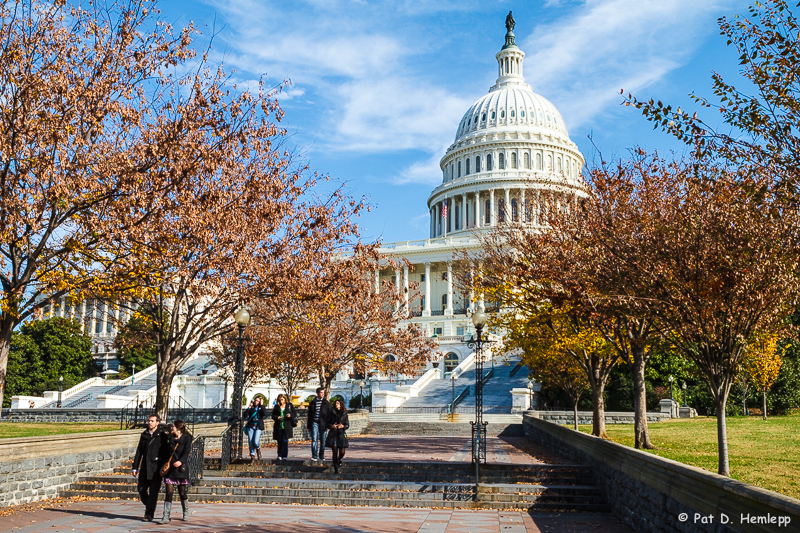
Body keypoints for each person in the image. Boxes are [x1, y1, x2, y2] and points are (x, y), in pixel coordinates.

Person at [132, 414, 168, 521]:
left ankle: (149, 514)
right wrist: (135, 467)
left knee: (153, 493)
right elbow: (139, 452)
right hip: (144, 468)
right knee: (141, 489)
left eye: (152, 421)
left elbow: (165, 453)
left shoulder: (162, 436)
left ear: (157, 423)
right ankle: (150, 506)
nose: (149, 423)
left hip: (156, 469)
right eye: (149, 421)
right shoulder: (144, 435)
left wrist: (164, 466)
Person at [157, 419, 193, 524]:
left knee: (182, 492)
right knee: (168, 492)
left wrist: (181, 461)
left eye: (172, 426)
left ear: (177, 427)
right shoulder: (170, 438)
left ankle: (185, 511)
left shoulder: (187, 438)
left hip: (181, 469)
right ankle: (166, 516)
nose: (171, 428)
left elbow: (186, 452)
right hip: (170, 469)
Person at [325, 399, 349, 474]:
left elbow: (347, 425)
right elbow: (327, 423)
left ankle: (339, 459)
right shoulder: (331, 412)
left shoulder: (344, 413)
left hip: (341, 433)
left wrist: (343, 426)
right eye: (335, 403)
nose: (336, 404)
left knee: (342, 451)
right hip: (333, 433)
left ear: (341, 404)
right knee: (334, 451)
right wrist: (332, 426)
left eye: (338, 403)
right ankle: (336, 467)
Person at [307, 387, 331, 461]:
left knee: (323, 441)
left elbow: (329, 414)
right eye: (321, 392)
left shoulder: (326, 403)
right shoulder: (312, 403)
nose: (322, 394)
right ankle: (314, 455)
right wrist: (308, 426)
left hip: (323, 424)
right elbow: (309, 415)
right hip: (315, 422)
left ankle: (321, 455)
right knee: (314, 439)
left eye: (323, 393)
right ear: (317, 393)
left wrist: (328, 425)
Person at [271, 394, 297, 460]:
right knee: (279, 441)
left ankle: (284, 455)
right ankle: (279, 455)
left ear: (285, 399)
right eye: (280, 400)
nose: (281, 401)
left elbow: (294, 413)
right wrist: (277, 417)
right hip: (279, 426)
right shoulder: (277, 407)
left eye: (282, 400)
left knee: (285, 441)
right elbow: (273, 415)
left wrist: (289, 416)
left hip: (287, 426)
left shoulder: (289, 405)